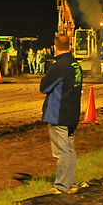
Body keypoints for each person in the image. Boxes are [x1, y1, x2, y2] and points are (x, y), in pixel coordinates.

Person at [40, 34, 83, 194]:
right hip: (72, 113)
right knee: (69, 150)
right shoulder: (75, 65)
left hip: (58, 113)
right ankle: (71, 184)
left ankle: (62, 186)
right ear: (70, 46)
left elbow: (44, 87)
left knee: (61, 152)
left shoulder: (59, 66)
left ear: (55, 46)